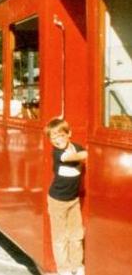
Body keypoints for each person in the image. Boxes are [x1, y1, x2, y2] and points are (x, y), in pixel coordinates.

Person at [44, 118, 88, 275]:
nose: (57, 140)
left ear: (69, 134)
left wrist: (83, 153)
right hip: (57, 201)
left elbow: (83, 153)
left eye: (60, 136)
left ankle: (77, 266)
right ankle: (64, 270)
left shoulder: (75, 147)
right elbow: (74, 156)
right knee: (60, 238)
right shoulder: (57, 153)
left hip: (73, 200)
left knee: (76, 235)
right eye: (53, 138)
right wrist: (83, 154)